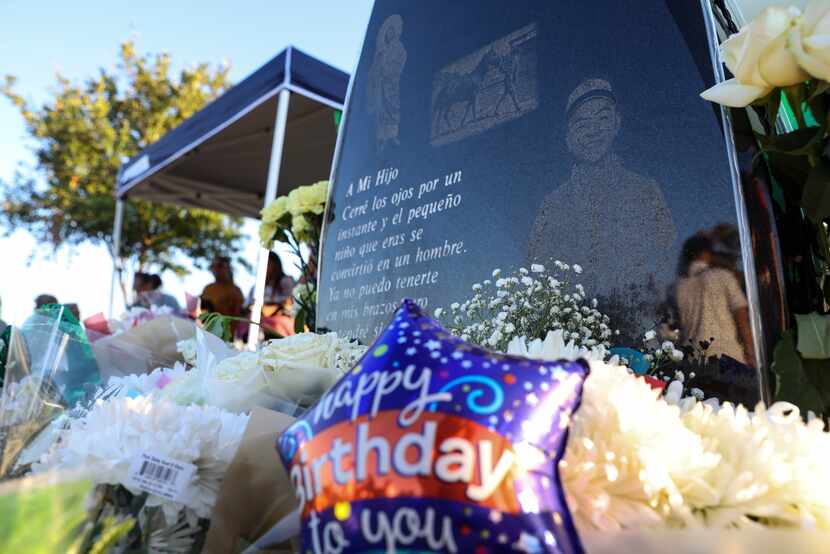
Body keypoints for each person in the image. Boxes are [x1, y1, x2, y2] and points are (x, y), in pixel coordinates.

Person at [527, 78, 676, 340]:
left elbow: (668, 265)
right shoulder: (552, 207)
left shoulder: (645, 192)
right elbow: (537, 282)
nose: (593, 131)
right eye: (582, 124)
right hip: (571, 346)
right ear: (568, 138)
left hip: (640, 344)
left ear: (617, 123)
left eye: (602, 119)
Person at [674, 233, 755, 366]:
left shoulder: (678, 288)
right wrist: (751, 354)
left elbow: (675, 331)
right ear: (707, 253)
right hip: (727, 357)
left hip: (693, 363)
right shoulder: (723, 276)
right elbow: (741, 316)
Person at [247, 252, 295, 337]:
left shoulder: (285, 281)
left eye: (267, 263)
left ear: (275, 264)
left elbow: (290, 302)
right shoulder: (255, 288)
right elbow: (247, 305)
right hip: (257, 322)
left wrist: (271, 309)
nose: (263, 267)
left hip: (281, 321)